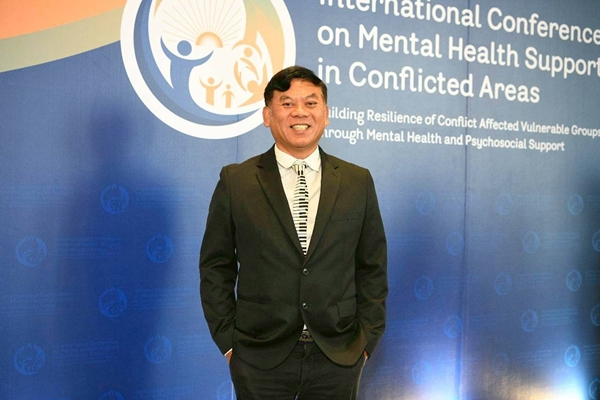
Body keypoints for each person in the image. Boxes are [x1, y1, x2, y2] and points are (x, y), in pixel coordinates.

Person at [199, 66, 388, 399]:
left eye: (311, 103)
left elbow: (372, 265)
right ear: (267, 116)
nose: (300, 112)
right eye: (287, 104)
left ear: (326, 114)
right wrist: (229, 343)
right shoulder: (236, 181)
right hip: (259, 356)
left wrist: (366, 340)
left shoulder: (357, 181)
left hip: (338, 354)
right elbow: (216, 266)